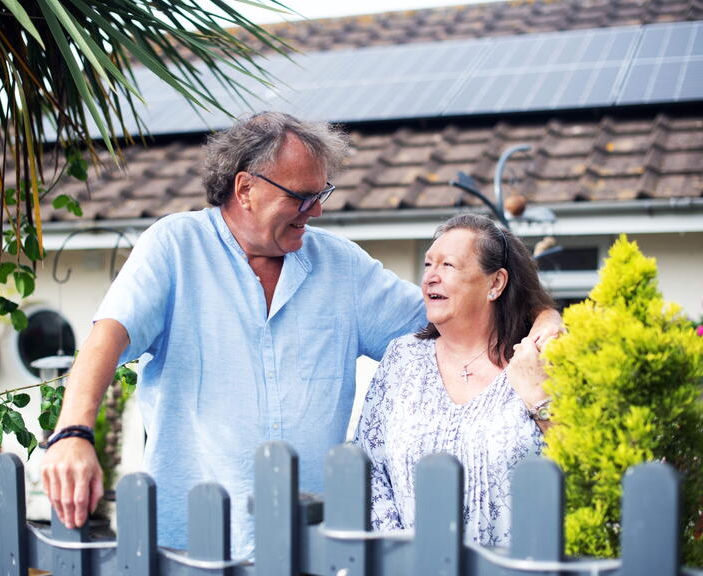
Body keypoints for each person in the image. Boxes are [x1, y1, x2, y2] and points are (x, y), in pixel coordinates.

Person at [41, 112, 560, 558]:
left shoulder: (342, 267)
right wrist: (73, 433)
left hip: (308, 544)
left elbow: (457, 318)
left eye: (322, 193)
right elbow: (107, 335)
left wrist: (543, 320)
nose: (318, 210)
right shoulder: (176, 247)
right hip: (193, 541)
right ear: (245, 188)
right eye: (303, 196)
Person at [352, 213, 555, 548]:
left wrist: (541, 398)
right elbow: (368, 466)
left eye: (448, 265)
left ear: (495, 284)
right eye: (428, 264)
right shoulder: (402, 358)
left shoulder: (537, 361)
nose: (431, 277)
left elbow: (581, 464)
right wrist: (403, 558)